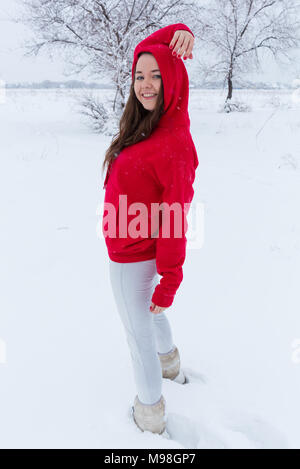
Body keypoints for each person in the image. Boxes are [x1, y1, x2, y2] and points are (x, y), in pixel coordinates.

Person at [102, 23, 199, 435]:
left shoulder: (171, 141)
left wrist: (171, 277)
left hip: (134, 256)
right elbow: (147, 47)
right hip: (136, 247)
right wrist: (179, 30)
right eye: (139, 75)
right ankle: (170, 363)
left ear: (173, 79)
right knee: (152, 314)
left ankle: (149, 414)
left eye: (157, 76)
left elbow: (176, 217)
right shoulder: (157, 125)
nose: (145, 84)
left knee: (136, 334)